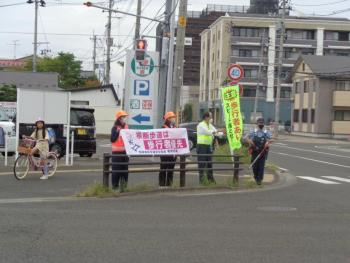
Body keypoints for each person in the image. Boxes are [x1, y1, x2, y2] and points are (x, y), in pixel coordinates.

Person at [246, 118, 273, 185]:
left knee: (261, 166)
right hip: (255, 151)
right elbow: (246, 138)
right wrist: (251, 142)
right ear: (257, 124)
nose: (261, 124)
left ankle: (259, 179)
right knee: (254, 166)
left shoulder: (266, 132)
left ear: (264, 124)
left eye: (262, 123)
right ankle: (255, 176)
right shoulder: (253, 131)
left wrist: (268, 142)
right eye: (260, 123)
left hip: (262, 152)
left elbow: (271, 139)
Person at [196, 112, 218, 184]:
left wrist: (219, 132)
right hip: (201, 146)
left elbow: (216, 131)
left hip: (208, 146)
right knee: (202, 164)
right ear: (206, 117)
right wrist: (215, 131)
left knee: (209, 163)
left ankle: (210, 179)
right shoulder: (201, 125)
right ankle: (202, 180)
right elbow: (208, 132)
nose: (211, 118)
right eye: (210, 117)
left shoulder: (209, 125)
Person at [111, 110, 129, 192]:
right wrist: (118, 131)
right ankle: (115, 187)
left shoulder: (127, 127)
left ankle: (124, 187)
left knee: (125, 171)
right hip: (116, 153)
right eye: (123, 117)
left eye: (125, 117)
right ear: (119, 118)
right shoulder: (115, 128)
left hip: (125, 153)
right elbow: (112, 139)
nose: (125, 118)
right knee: (116, 171)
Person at [159, 111, 177, 188]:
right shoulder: (163, 128)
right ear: (168, 119)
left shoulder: (176, 128)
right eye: (172, 118)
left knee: (171, 169)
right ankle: (162, 184)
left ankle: (169, 184)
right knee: (163, 168)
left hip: (173, 152)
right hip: (165, 152)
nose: (174, 119)